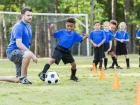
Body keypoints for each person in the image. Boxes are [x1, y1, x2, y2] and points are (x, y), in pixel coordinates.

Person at [38, 17, 88, 82]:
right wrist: (50, 28)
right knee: (52, 60)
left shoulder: (75, 34)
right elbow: (51, 34)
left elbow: (81, 39)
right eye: (68, 26)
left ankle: (73, 76)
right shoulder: (61, 32)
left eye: (71, 26)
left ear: (74, 26)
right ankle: (43, 73)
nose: (69, 27)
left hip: (67, 51)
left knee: (74, 64)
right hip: (59, 48)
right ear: (66, 25)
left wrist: (86, 37)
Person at [0, 8, 37, 84]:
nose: (30, 17)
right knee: (28, 54)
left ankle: (21, 78)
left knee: (18, 79)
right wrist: (32, 54)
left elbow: (27, 42)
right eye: (28, 15)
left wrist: (29, 52)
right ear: (22, 15)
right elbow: (19, 44)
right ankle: (24, 78)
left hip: (21, 53)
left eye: (31, 15)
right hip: (12, 52)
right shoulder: (18, 26)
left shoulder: (29, 26)